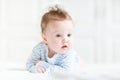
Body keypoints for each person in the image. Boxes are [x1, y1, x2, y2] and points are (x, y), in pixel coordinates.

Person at [26, 5, 80, 74]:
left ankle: (80, 61)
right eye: (58, 35)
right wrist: (36, 69)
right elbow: (29, 64)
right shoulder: (39, 49)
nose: (65, 39)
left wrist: (43, 65)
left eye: (69, 35)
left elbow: (66, 71)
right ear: (45, 38)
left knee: (78, 63)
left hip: (73, 64)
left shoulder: (68, 53)